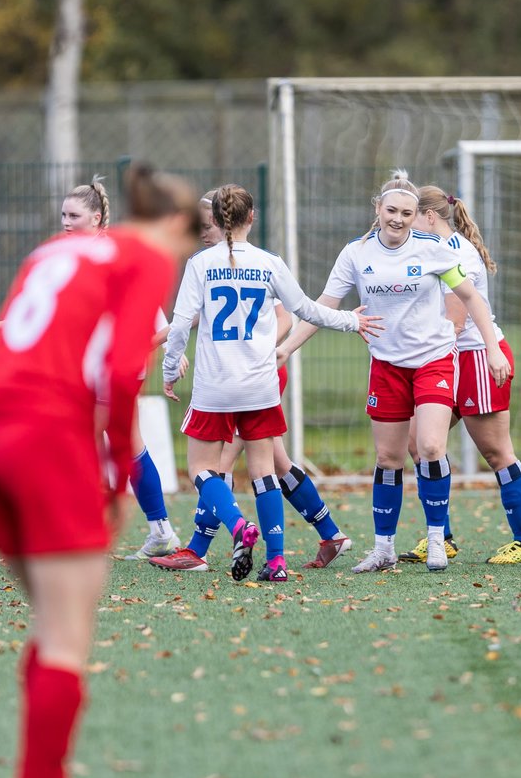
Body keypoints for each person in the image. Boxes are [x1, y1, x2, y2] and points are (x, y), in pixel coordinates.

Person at [0, 162, 202, 778]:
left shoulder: (56, 249)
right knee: (68, 642)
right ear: (177, 225)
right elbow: (123, 372)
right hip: (46, 441)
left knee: (47, 627)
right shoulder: (144, 256)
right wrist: (115, 473)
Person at [278, 170, 511, 573]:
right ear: (378, 209)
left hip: (434, 359)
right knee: (389, 457)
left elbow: (470, 296)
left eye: (406, 212)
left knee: (431, 447)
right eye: (391, 211)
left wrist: (492, 348)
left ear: (417, 214)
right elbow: (322, 307)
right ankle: (383, 547)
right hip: (386, 364)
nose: (398, 219)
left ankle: (438, 541)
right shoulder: (356, 253)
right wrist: (284, 350)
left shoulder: (432, 249)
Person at [154, 183, 381, 582]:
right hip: (260, 384)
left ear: (215, 220)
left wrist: (170, 369)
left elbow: (178, 329)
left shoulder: (200, 264)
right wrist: (351, 320)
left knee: (203, 471)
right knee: (264, 472)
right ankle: (276, 562)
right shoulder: (269, 262)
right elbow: (307, 309)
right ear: (251, 218)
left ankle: (240, 527)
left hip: (216, 385)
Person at [0, 177, 182, 562]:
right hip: (96, 370)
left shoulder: (110, 255)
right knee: (121, 446)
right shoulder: (73, 256)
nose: (66, 222)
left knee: (68, 442)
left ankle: (67, 531)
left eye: (75, 215)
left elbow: (156, 321)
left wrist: (160, 346)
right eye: (63, 215)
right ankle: (158, 531)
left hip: (107, 371)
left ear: (99, 218)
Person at [396, 184, 521, 565]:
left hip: (475, 357)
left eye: (412, 216)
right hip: (449, 358)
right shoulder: (433, 249)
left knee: (496, 452)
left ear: (429, 216)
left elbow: (455, 320)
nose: (405, 224)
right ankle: (441, 537)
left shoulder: (458, 253)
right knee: (418, 442)